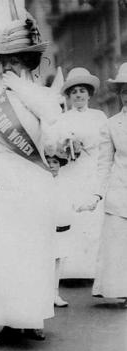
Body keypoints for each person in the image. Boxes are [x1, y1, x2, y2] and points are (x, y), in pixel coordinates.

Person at [0, 17, 64, 342]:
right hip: (0, 179)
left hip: (32, 178)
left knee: (32, 250)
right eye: (6, 62)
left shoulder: (41, 96)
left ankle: (33, 316)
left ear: (29, 63)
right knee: (4, 250)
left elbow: (53, 127)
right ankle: (9, 319)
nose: (9, 68)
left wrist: (22, 88)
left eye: (17, 61)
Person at [53, 67, 109, 279]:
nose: (78, 95)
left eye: (82, 91)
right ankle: (70, 270)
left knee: (93, 219)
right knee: (72, 216)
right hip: (71, 170)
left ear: (89, 94)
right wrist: (65, 146)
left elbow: (105, 146)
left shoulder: (99, 116)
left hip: (92, 169)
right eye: (74, 91)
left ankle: (92, 269)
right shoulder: (62, 119)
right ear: (69, 95)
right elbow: (55, 146)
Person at [91, 63, 127, 306]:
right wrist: (97, 194)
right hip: (120, 191)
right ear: (119, 94)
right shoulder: (112, 125)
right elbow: (104, 164)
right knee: (119, 245)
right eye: (124, 91)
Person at [46, 155, 73, 307]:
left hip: (59, 229)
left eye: (55, 162)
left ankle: (54, 293)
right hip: (44, 229)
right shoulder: (40, 182)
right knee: (44, 261)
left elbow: (70, 202)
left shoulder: (65, 183)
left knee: (57, 261)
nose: (51, 165)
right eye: (48, 162)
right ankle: (42, 294)